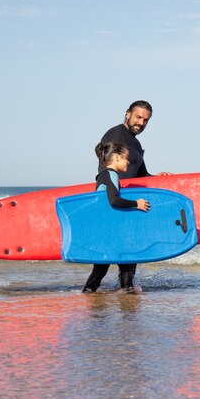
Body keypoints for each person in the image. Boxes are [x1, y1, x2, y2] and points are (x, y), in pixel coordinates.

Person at [84, 100, 170, 293]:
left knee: (126, 260)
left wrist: (157, 178)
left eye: (146, 120)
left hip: (128, 207)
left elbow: (141, 174)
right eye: (138, 117)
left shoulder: (136, 144)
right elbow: (108, 166)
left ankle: (116, 294)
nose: (141, 122)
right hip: (116, 206)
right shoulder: (115, 134)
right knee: (117, 259)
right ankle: (120, 297)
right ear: (128, 114)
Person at [82, 141, 150, 293]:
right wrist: (136, 204)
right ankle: (127, 298)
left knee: (101, 268)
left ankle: (88, 293)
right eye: (126, 158)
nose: (129, 161)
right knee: (126, 264)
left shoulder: (103, 175)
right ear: (117, 158)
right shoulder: (111, 174)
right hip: (109, 232)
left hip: (104, 230)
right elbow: (114, 200)